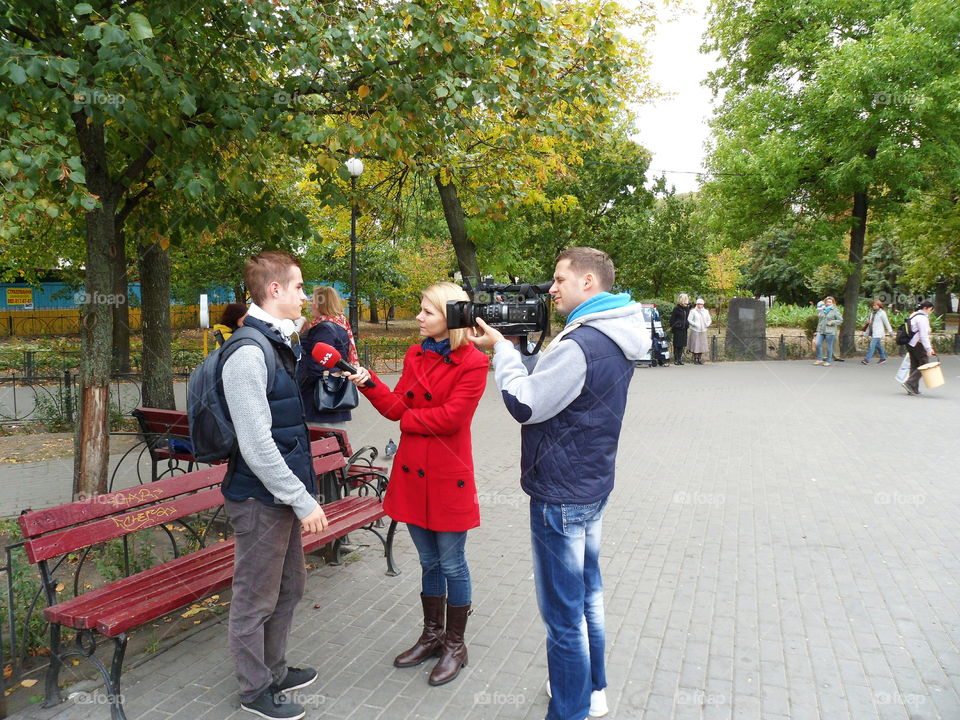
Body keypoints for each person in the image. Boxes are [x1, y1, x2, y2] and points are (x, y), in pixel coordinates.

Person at [468, 247, 649, 720]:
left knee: (563, 616)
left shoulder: (581, 343)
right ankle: (592, 689)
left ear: (588, 283)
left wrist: (503, 352)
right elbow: (559, 387)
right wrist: (519, 350)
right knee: (589, 594)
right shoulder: (614, 332)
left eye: (559, 279)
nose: (551, 288)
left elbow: (526, 404)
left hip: (561, 493)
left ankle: (569, 709)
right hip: (590, 483)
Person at [347, 282, 489, 686]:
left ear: (452, 318)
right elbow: (396, 406)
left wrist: (408, 421)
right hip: (411, 474)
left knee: (452, 563)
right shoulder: (415, 353)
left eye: (427, 311)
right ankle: (431, 635)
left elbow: (451, 418)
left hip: (447, 476)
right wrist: (367, 381)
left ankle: (456, 644)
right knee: (429, 562)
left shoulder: (474, 361)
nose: (419, 318)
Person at [220, 251, 328, 720]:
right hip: (259, 499)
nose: (306, 295)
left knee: (289, 588)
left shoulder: (277, 341)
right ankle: (253, 689)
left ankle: (274, 669)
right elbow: (258, 445)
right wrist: (302, 500)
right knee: (254, 597)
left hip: (278, 496)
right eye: (300, 287)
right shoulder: (248, 351)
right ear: (275, 290)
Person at [297, 286, 357, 429]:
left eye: (313, 301)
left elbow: (319, 364)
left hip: (319, 400)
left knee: (322, 444)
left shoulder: (324, 329)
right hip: (331, 395)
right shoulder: (339, 323)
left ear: (321, 304)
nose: (310, 304)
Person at [902, 300, 937, 395]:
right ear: (925, 308)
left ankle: (913, 388)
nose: (931, 312)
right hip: (918, 344)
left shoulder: (913, 315)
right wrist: (929, 348)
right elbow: (923, 335)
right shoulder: (922, 318)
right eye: (930, 310)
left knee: (914, 365)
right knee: (925, 365)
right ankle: (909, 383)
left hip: (910, 343)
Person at [861, 299, 893, 364]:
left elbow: (886, 323)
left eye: (875, 305)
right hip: (872, 332)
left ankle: (866, 360)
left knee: (872, 345)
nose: (874, 306)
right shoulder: (871, 313)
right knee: (878, 346)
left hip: (878, 332)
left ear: (879, 305)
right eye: (873, 305)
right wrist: (867, 324)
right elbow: (868, 323)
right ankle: (883, 358)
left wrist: (890, 331)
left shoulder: (882, 313)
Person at [813, 296, 842, 366]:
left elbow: (840, 320)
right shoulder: (823, 310)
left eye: (830, 302)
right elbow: (820, 321)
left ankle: (828, 361)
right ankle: (820, 359)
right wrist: (817, 331)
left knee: (829, 346)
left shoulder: (835, 310)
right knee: (818, 343)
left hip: (830, 331)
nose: (828, 303)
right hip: (821, 330)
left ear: (833, 303)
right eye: (827, 302)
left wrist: (832, 322)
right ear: (825, 302)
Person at [687, 297, 712, 364]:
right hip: (695, 330)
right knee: (695, 345)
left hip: (703, 330)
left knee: (701, 345)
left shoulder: (706, 311)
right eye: (698, 304)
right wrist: (695, 324)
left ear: (703, 304)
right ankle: (695, 358)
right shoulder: (693, 311)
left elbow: (709, 320)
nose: (699, 305)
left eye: (701, 304)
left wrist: (707, 324)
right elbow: (689, 319)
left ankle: (699, 358)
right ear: (696, 304)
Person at [669, 293, 691, 365]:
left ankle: (680, 359)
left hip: (684, 328)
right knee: (677, 344)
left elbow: (687, 317)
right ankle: (676, 359)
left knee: (681, 344)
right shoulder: (676, 308)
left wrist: (686, 325)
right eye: (686, 299)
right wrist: (675, 326)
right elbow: (672, 319)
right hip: (677, 329)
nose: (687, 300)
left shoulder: (686, 308)